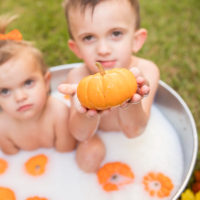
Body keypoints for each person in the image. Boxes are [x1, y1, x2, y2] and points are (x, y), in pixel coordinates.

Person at [58, 0, 160, 172]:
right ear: (76, 49)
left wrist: (132, 100)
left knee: (146, 164)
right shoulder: (78, 78)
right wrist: (86, 112)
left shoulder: (146, 72)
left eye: (116, 33)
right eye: (89, 38)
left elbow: (134, 132)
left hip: (131, 140)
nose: (103, 49)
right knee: (89, 156)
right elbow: (80, 135)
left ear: (136, 40)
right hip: (95, 136)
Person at [0, 15, 76, 154]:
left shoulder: (60, 114)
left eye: (28, 83)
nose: (20, 97)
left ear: (46, 81)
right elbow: (11, 160)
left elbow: (67, 151)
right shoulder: (2, 127)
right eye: (5, 91)